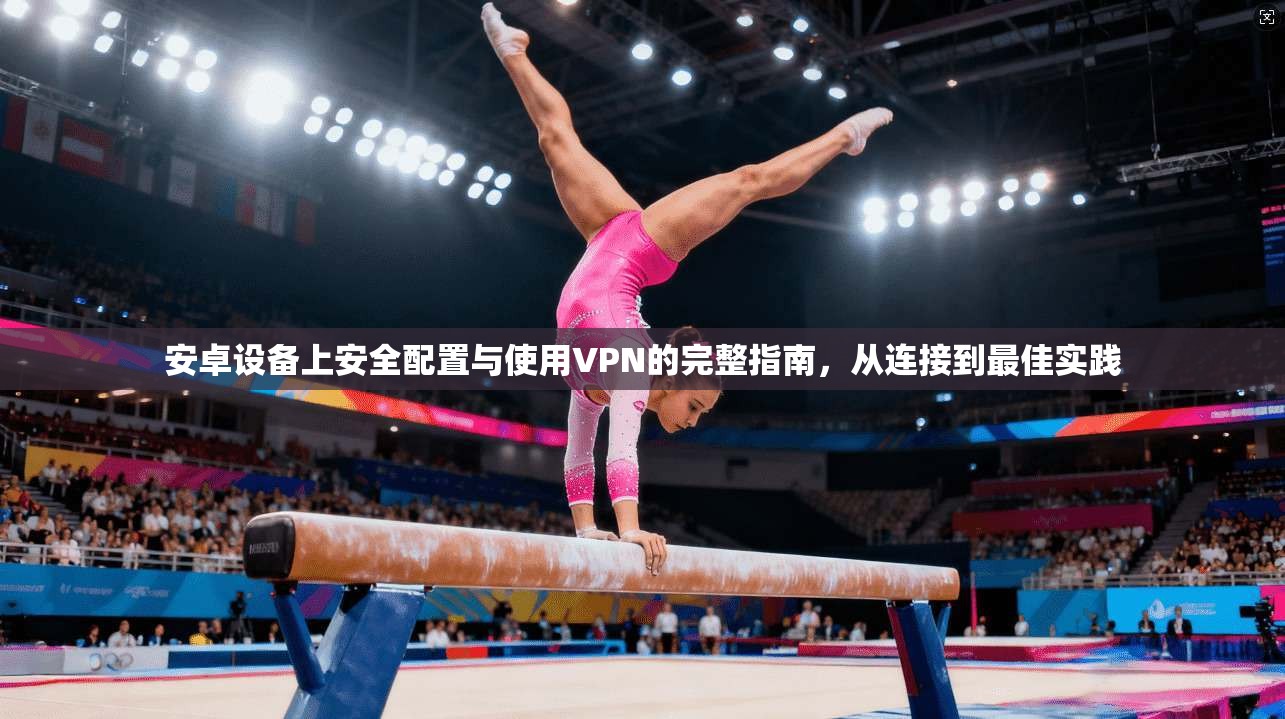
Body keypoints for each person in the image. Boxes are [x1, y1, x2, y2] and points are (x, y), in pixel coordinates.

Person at [481, 4, 892, 575]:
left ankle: (515, 51)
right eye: (696, 405)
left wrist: (589, 531)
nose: (694, 421)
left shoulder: (599, 386)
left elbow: (580, 452)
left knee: (555, 139)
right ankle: (844, 136)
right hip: (642, 247)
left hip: (606, 238)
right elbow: (622, 452)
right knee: (747, 181)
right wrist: (630, 530)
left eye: (699, 411)